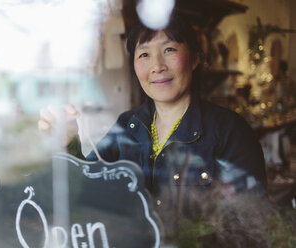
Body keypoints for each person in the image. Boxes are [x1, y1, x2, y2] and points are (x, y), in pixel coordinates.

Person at [39, 12, 268, 236]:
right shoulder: (127, 125)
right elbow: (87, 189)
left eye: (169, 50)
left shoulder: (229, 132)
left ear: (196, 58)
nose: (157, 66)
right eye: (144, 55)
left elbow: (249, 228)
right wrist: (68, 140)